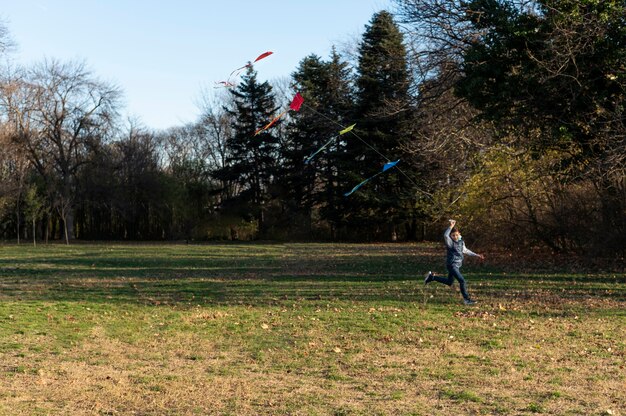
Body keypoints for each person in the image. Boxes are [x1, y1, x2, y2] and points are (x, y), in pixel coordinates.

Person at [424, 219, 484, 305]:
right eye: (453, 235)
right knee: (462, 281)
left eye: (456, 235)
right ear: (451, 236)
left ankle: (431, 277)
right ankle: (466, 300)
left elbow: (466, 251)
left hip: (457, 265)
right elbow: (445, 235)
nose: (455, 237)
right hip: (452, 265)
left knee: (449, 282)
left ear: (459, 234)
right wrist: (451, 226)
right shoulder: (450, 243)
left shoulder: (461, 242)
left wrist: (476, 255)